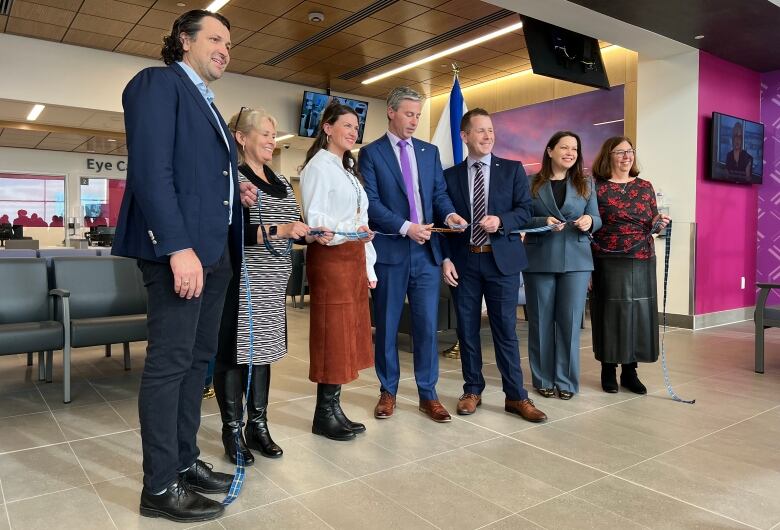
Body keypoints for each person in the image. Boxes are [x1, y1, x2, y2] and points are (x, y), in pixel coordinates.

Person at [111, 10, 239, 523]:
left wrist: (237, 188)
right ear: (184, 42)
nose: (225, 48)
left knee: (195, 362)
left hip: (215, 253)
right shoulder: (157, 84)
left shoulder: (207, 103)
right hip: (180, 253)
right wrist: (176, 246)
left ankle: (185, 461)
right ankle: (159, 485)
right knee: (169, 365)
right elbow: (150, 170)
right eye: (214, 38)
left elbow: (198, 177)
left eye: (229, 42)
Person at [360, 86, 467, 423]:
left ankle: (428, 394)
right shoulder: (371, 153)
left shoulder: (429, 151)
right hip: (392, 251)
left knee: (425, 325)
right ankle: (387, 391)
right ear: (391, 112)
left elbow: (438, 194)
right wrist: (407, 226)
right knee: (388, 326)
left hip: (426, 253)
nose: (414, 121)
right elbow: (372, 204)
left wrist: (449, 215)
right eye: (409, 114)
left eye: (418, 115)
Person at [215, 107, 308, 462]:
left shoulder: (282, 181)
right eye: (265, 134)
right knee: (236, 356)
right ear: (242, 138)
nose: (272, 141)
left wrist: (309, 233)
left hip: (273, 282)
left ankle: (258, 426)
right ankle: (232, 432)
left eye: (274, 134)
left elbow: (293, 224)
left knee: (263, 354)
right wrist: (280, 231)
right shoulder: (233, 180)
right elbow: (229, 234)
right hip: (242, 282)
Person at [441, 108, 546, 422]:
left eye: (490, 130)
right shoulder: (449, 176)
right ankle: (472, 389)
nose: (488, 136)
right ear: (464, 136)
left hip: (502, 261)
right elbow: (441, 221)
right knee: (468, 330)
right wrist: (446, 257)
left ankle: (516, 397)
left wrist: (501, 220)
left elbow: (525, 211)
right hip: (465, 261)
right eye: (480, 130)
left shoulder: (512, 170)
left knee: (505, 331)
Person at [300, 101, 376, 441]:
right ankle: (322, 415)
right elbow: (317, 222)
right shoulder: (318, 166)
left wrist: (366, 250)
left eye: (356, 127)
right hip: (331, 260)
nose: (352, 131)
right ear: (327, 128)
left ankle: (334, 408)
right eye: (346, 125)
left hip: (352, 257)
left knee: (347, 334)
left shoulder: (346, 168)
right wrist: (352, 229)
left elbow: (360, 219)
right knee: (332, 334)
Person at [522, 131, 601, 400]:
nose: (570, 153)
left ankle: (566, 381)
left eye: (575, 149)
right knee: (541, 322)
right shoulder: (530, 182)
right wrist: (542, 221)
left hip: (577, 261)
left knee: (569, 324)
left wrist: (590, 221)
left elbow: (597, 218)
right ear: (550, 150)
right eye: (564, 147)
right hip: (539, 258)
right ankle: (543, 378)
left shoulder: (586, 184)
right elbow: (522, 218)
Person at [589, 136, 670, 394]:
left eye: (630, 151)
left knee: (639, 313)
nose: (627, 156)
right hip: (608, 258)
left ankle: (630, 371)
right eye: (620, 152)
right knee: (610, 314)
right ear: (608, 157)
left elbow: (652, 221)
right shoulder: (597, 189)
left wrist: (660, 222)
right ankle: (608, 369)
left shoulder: (645, 186)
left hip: (642, 258)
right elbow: (592, 225)